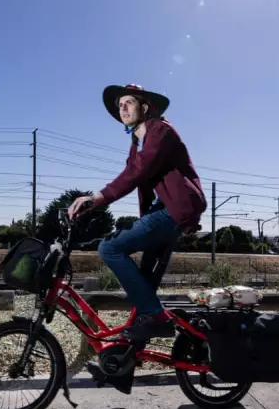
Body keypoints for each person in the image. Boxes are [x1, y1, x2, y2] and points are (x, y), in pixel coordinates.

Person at [68, 84, 207, 341]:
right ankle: (130, 353)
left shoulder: (161, 130)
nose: (122, 108)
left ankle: (159, 319)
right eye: (119, 105)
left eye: (128, 103)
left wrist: (96, 198)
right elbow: (141, 187)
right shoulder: (137, 145)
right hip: (163, 210)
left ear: (144, 107)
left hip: (177, 209)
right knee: (143, 284)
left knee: (109, 249)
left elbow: (136, 174)